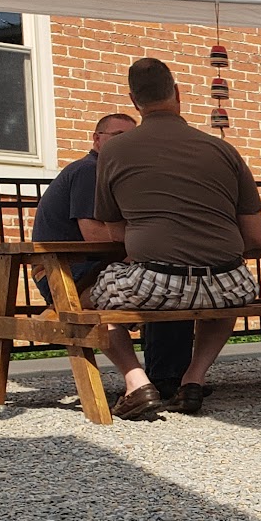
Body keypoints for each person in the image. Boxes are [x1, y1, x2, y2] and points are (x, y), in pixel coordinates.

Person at [88, 57, 261, 419]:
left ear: (134, 100)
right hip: (229, 281)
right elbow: (257, 236)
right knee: (224, 302)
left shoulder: (114, 151)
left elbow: (114, 230)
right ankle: (193, 379)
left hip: (156, 280)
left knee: (95, 300)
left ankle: (137, 382)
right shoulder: (222, 149)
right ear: (178, 93)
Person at [31, 113, 197, 399]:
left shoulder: (118, 174)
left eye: (131, 138)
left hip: (102, 269)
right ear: (97, 139)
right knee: (164, 282)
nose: (126, 144)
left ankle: (169, 378)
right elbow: (94, 235)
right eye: (118, 137)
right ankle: (159, 379)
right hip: (67, 275)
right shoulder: (90, 171)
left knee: (170, 284)